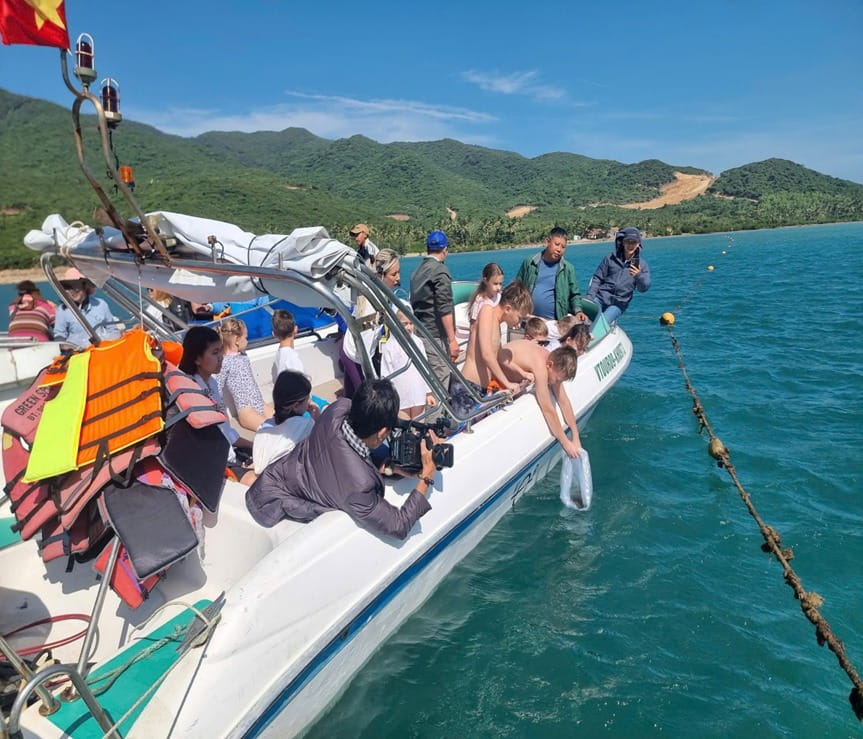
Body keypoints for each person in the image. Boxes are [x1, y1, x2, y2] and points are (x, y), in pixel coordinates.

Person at [245, 378, 438, 540]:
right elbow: (398, 524)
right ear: (381, 433)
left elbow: (350, 455)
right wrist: (427, 476)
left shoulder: (338, 408)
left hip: (269, 482)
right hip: (271, 507)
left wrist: (390, 468)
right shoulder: (359, 487)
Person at [451, 281, 533, 416]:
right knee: (464, 427)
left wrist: (523, 373)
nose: (519, 323)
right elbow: (487, 354)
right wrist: (507, 383)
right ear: (508, 309)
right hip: (468, 387)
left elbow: (500, 356)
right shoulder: (487, 311)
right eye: (519, 318)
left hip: (480, 389)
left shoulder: (497, 324)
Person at [179, 325, 253, 464]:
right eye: (215, 353)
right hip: (216, 463)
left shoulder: (211, 382)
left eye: (220, 351)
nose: (221, 357)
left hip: (228, 453)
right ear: (197, 359)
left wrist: (253, 445)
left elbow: (227, 431)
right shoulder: (192, 392)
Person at [498, 341, 583, 458]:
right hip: (495, 376)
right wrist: (565, 443)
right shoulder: (540, 367)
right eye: (557, 380)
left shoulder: (553, 363)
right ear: (549, 365)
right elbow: (547, 409)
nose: (556, 383)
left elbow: (563, 401)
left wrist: (575, 436)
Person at [339, 248, 402, 398]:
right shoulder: (372, 305)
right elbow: (365, 348)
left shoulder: (377, 292)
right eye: (394, 274)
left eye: (398, 272)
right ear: (381, 275)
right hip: (355, 355)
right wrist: (372, 377)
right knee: (366, 399)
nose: (398, 278)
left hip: (350, 348)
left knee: (350, 398)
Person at [410, 230, 459, 385]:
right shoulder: (439, 271)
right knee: (441, 376)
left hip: (420, 333)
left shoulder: (416, 272)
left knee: (426, 378)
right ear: (445, 250)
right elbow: (444, 307)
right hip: (435, 335)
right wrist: (452, 340)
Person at [250, 370, 318, 479]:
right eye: (307, 398)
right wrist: (317, 418)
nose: (310, 401)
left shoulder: (264, 427)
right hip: (286, 479)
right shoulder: (306, 424)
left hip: (263, 477)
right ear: (296, 406)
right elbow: (321, 442)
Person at [515, 227, 588, 322]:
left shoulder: (568, 269)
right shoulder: (530, 262)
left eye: (563, 247)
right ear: (547, 242)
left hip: (554, 322)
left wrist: (578, 311)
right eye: (557, 244)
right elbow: (517, 287)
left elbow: (575, 294)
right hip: (528, 319)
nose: (559, 249)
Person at [214, 318, 272, 432]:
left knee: (283, 420)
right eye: (245, 338)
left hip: (260, 403)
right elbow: (218, 387)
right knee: (270, 430)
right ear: (237, 340)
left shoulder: (243, 355)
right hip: (246, 410)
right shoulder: (224, 362)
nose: (247, 341)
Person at [587, 226, 651, 324]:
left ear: (638, 244)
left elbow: (644, 288)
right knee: (587, 318)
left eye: (633, 242)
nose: (630, 245)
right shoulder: (610, 258)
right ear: (623, 243)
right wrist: (590, 297)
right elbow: (597, 278)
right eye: (627, 242)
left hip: (618, 304)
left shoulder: (641, 265)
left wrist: (638, 276)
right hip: (600, 298)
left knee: (602, 323)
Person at [380, 308, 436, 419]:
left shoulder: (418, 342)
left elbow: (425, 368)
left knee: (419, 423)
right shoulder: (389, 345)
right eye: (404, 324)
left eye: (411, 323)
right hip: (400, 395)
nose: (409, 327)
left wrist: (428, 392)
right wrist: (389, 397)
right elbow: (386, 373)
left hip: (418, 392)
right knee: (403, 424)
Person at [53, 267, 122, 350]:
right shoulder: (62, 310)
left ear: (85, 286)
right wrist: (67, 347)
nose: (72, 292)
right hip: (78, 352)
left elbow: (113, 330)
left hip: (101, 349)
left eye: (76, 288)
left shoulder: (101, 304)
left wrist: (106, 342)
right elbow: (59, 335)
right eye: (68, 287)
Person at [271, 309, 304, 382]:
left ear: (274, 334)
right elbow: (301, 385)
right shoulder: (293, 359)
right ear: (295, 329)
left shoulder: (279, 353)